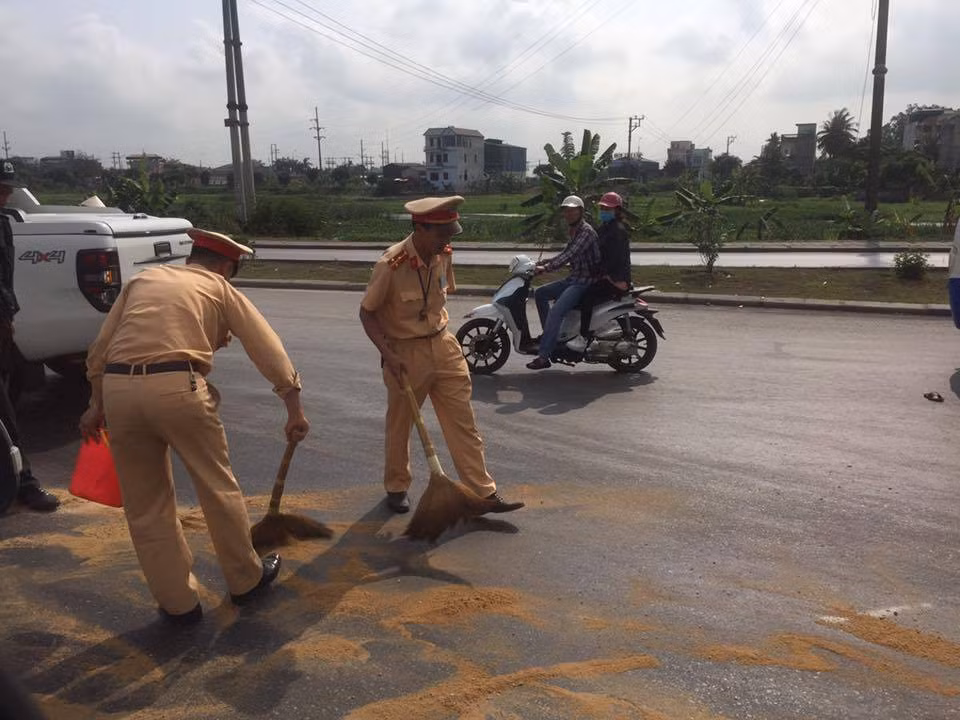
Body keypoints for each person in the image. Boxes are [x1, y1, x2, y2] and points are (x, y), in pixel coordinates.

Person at [78, 228, 309, 624]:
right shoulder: (219, 287)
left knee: (146, 504)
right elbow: (265, 346)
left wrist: (95, 404)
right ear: (225, 267)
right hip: (177, 387)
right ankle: (245, 580)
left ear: (191, 258)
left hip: (119, 391)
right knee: (217, 487)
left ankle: (177, 604)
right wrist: (294, 406)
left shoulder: (143, 279)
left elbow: (100, 349)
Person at [359, 196, 523, 515]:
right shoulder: (390, 265)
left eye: (450, 233)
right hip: (405, 353)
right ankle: (397, 486)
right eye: (441, 234)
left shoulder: (443, 255)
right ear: (420, 228)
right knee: (401, 425)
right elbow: (367, 313)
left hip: (444, 345)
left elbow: (440, 296)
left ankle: (482, 493)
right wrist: (388, 354)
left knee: (464, 423)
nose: (447, 240)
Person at [0, 160, 60, 514]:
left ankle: (20, 481)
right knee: (5, 411)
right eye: (1, 188)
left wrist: (7, 317)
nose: (6, 194)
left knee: (13, 394)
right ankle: (24, 483)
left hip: (2, 324)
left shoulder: (3, 223)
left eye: (8, 188)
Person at [526, 195, 600, 370]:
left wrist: (546, 268)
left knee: (556, 312)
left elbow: (570, 255)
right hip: (574, 278)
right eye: (566, 210)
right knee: (540, 293)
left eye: (573, 210)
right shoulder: (575, 230)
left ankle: (544, 356)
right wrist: (543, 262)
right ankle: (550, 335)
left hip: (584, 282)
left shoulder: (586, 232)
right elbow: (566, 252)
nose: (569, 214)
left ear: (580, 212)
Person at [567, 191, 632, 353]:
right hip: (606, 275)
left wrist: (598, 272)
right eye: (602, 208)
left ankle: (584, 337)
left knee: (586, 297)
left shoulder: (618, 231)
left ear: (617, 210)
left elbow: (613, 259)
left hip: (616, 279)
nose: (604, 211)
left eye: (608, 209)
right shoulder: (605, 228)